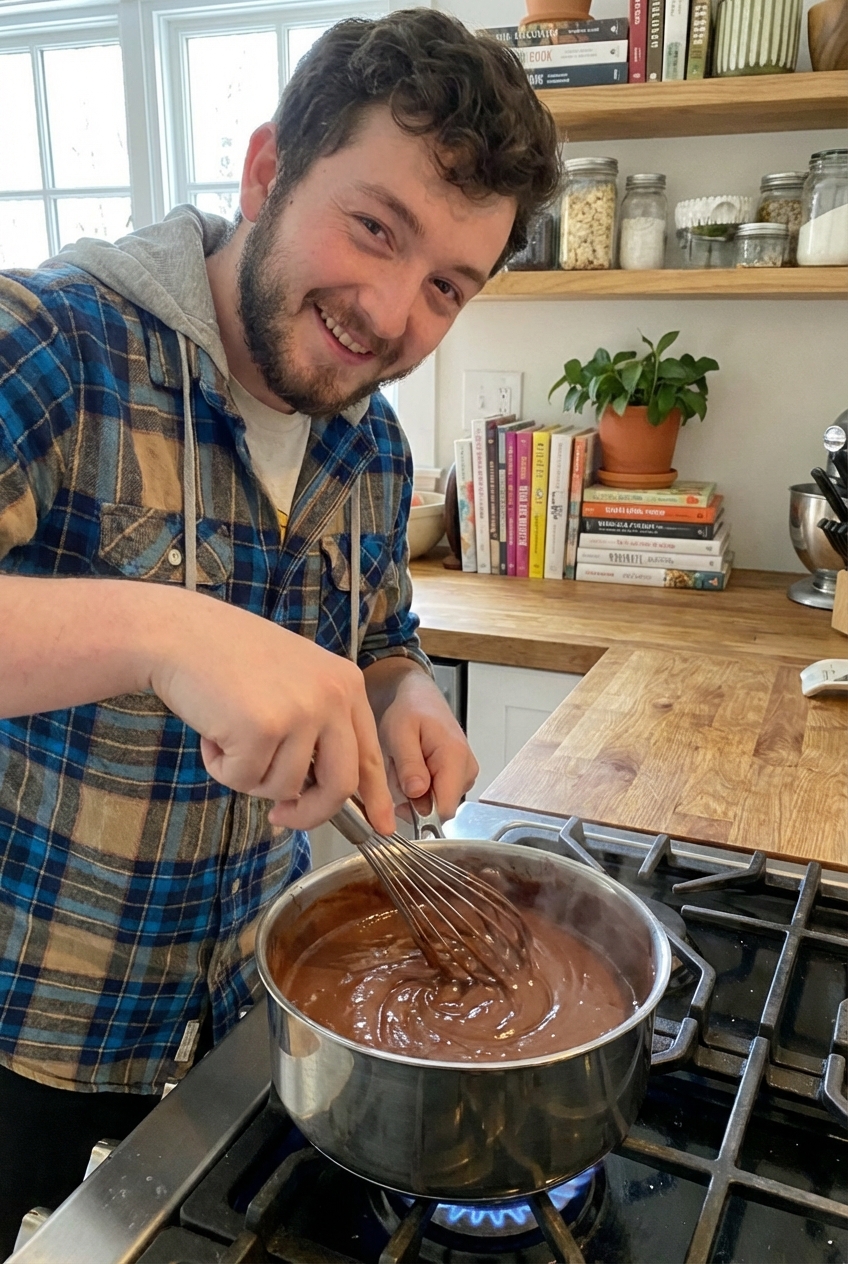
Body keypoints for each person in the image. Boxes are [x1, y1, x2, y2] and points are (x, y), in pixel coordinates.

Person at [0, 8, 559, 1249]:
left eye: (445, 287)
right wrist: (162, 631)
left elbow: (382, 632)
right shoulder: (54, 346)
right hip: (31, 1043)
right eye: (374, 227)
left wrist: (403, 691)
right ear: (265, 171)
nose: (390, 312)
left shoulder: (367, 441)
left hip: (253, 1037)